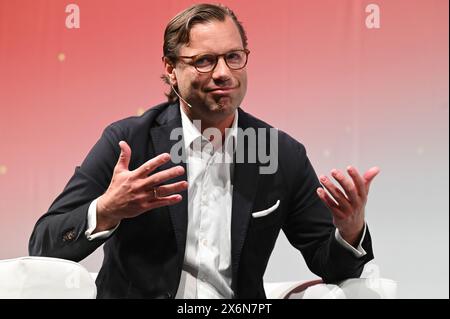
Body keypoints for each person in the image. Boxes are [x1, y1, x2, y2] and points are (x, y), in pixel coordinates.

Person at [29, 3, 379, 299]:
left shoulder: (280, 153)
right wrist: (106, 209)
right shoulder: (129, 141)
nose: (223, 73)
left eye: (233, 57)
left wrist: (349, 230)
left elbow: (330, 264)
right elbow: (44, 244)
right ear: (170, 69)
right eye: (205, 61)